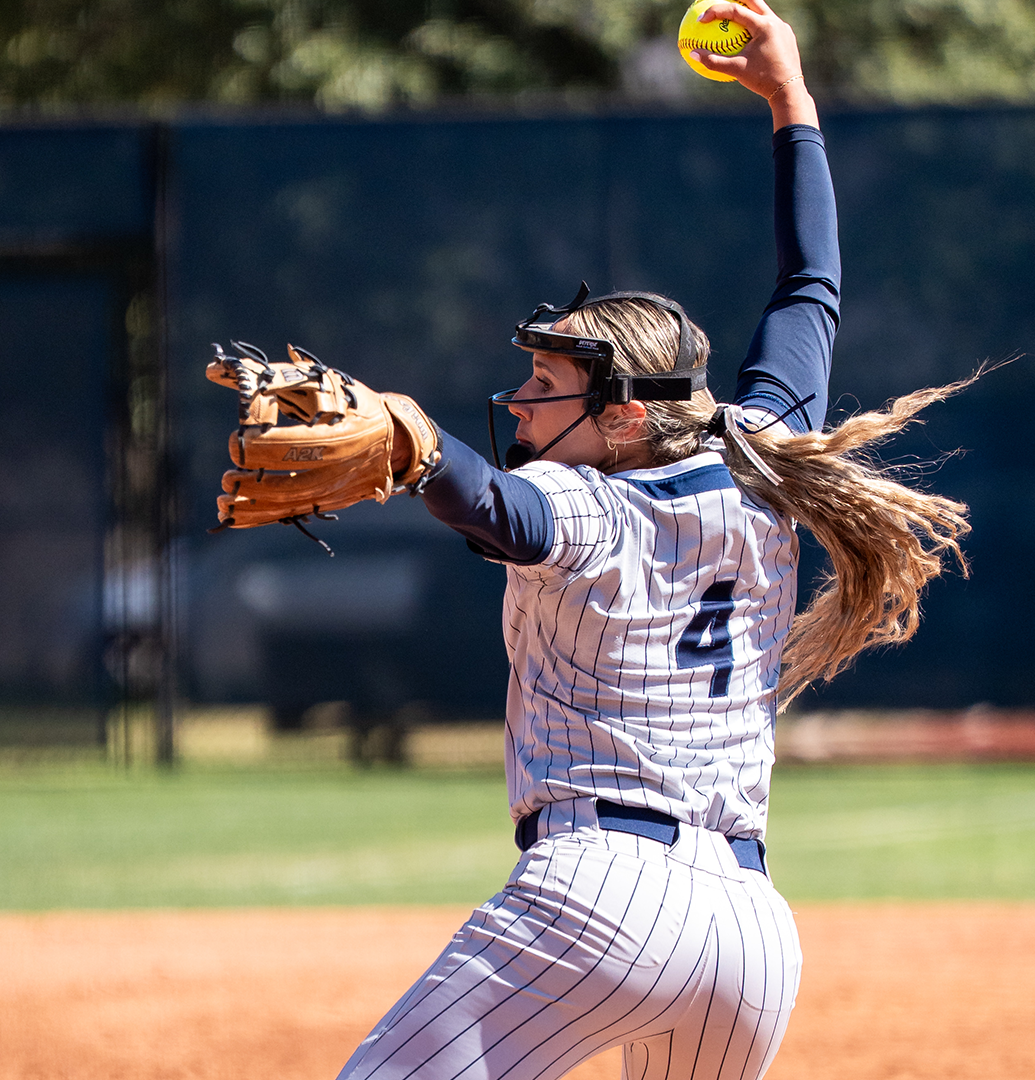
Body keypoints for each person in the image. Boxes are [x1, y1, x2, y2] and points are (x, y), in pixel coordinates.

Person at [335, 4, 971, 1076]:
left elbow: (495, 505)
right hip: (750, 938)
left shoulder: (592, 506)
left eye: (547, 388)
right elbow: (810, 291)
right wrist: (791, 101)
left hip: (599, 901)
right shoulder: (764, 464)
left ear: (626, 415)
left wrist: (420, 441)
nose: (524, 405)